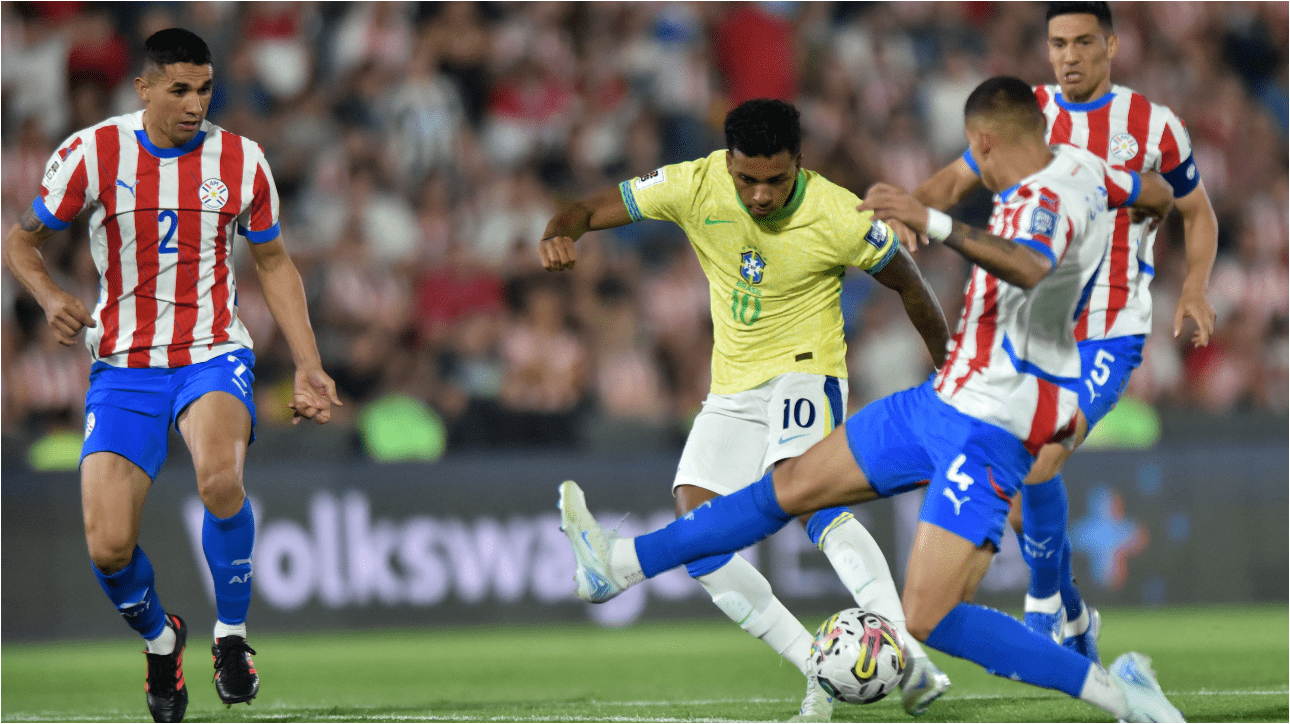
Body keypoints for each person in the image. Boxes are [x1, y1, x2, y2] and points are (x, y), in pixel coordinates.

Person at [558, 76, 1186, 723]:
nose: (970, 169)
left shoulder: (1051, 202)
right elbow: (1164, 192)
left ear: (988, 142)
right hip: (940, 400)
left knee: (927, 615)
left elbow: (1027, 265)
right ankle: (620, 564)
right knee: (793, 485)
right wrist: (1152, 215)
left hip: (991, 429)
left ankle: (1115, 691)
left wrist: (934, 221)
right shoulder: (1085, 174)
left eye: (974, 157)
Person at [538, 98, 953, 720]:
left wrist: (950, 367)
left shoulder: (838, 212)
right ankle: (820, 669)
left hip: (807, 370)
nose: (759, 195)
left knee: (806, 496)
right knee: (699, 531)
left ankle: (911, 657)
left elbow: (911, 283)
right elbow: (591, 207)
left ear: (799, 165)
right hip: (733, 386)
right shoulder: (694, 181)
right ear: (728, 163)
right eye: (747, 178)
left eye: (775, 180)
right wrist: (558, 229)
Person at [1, 29, 342, 724]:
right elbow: (21, 242)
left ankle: (233, 638)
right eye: (180, 90)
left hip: (212, 349)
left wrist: (308, 365)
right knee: (107, 544)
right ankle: (162, 641)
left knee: (220, 478)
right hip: (124, 364)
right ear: (145, 88)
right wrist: (51, 297)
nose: (195, 105)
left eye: (205, 89)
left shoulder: (242, 160)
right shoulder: (92, 153)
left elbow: (274, 263)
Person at [912, 0, 1218, 660]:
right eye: (1058, 44)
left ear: (1111, 45)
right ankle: (1076, 615)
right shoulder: (1026, 115)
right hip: (1032, 330)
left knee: (1044, 455)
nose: (1070, 55)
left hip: (1110, 328)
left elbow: (1196, 210)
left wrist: (1193, 285)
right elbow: (958, 177)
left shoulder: (1155, 126)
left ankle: (1045, 611)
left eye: (1083, 42)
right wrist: (913, 210)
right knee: (1021, 492)